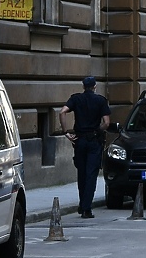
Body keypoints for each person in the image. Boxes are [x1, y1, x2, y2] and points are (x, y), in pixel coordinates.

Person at [59, 76, 111, 218]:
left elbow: (62, 112)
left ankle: (82, 204)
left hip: (79, 140)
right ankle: (86, 208)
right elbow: (106, 122)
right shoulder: (101, 100)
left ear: (83, 87)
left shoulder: (76, 99)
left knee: (81, 174)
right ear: (95, 86)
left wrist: (66, 132)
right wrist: (98, 131)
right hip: (94, 141)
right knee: (91, 174)